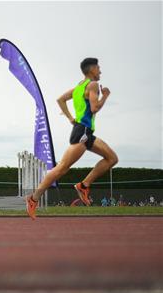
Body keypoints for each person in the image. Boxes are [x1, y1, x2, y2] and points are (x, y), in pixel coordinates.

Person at [26, 58, 118, 219]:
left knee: (111, 158)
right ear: (91, 70)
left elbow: (60, 99)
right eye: (98, 68)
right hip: (82, 132)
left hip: (85, 132)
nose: (101, 71)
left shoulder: (78, 88)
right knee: (61, 168)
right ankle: (33, 199)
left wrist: (70, 118)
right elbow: (95, 107)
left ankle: (84, 185)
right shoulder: (92, 85)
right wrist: (105, 96)